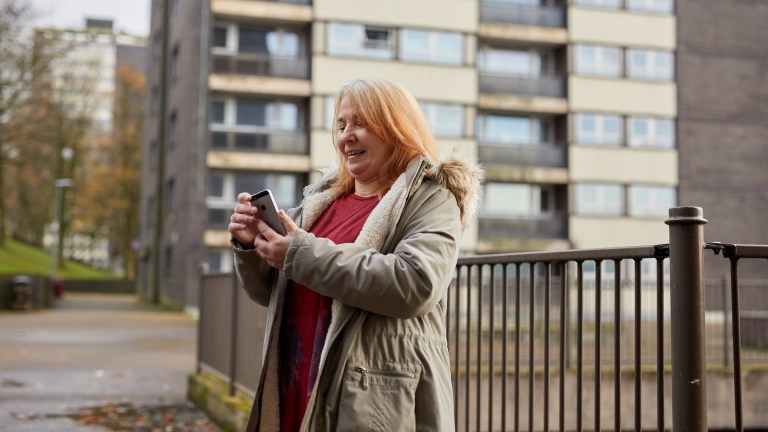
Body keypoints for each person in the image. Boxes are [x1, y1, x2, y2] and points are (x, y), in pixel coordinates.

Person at [228, 77, 483, 432]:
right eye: (341, 124)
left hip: (373, 402)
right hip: (298, 384)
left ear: (396, 128)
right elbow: (273, 292)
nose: (346, 135)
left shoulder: (431, 198)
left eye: (360, 123)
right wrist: (253, 247)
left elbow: (416, 283)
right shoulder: (321, 202)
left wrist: (300, 253)